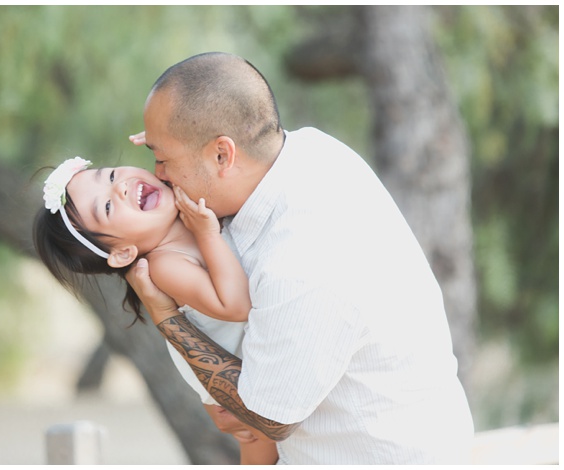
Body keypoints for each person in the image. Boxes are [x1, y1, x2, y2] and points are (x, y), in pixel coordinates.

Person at [126, 51, 475, 464]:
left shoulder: (303, 257)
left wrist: (163, 313)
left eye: (162, 158)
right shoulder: (309, 150)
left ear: (223, 155)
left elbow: (265, 419)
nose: (158, 173)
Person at [33, 157, 278, 464]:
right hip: (229, 383)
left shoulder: (183, 201)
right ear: (124, 253)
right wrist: (207, 234)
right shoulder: (165, 264)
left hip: (252, 362)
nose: (119, 188)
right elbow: (238, 304)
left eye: (109, 175)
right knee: (260, 450)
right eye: (107, 208)